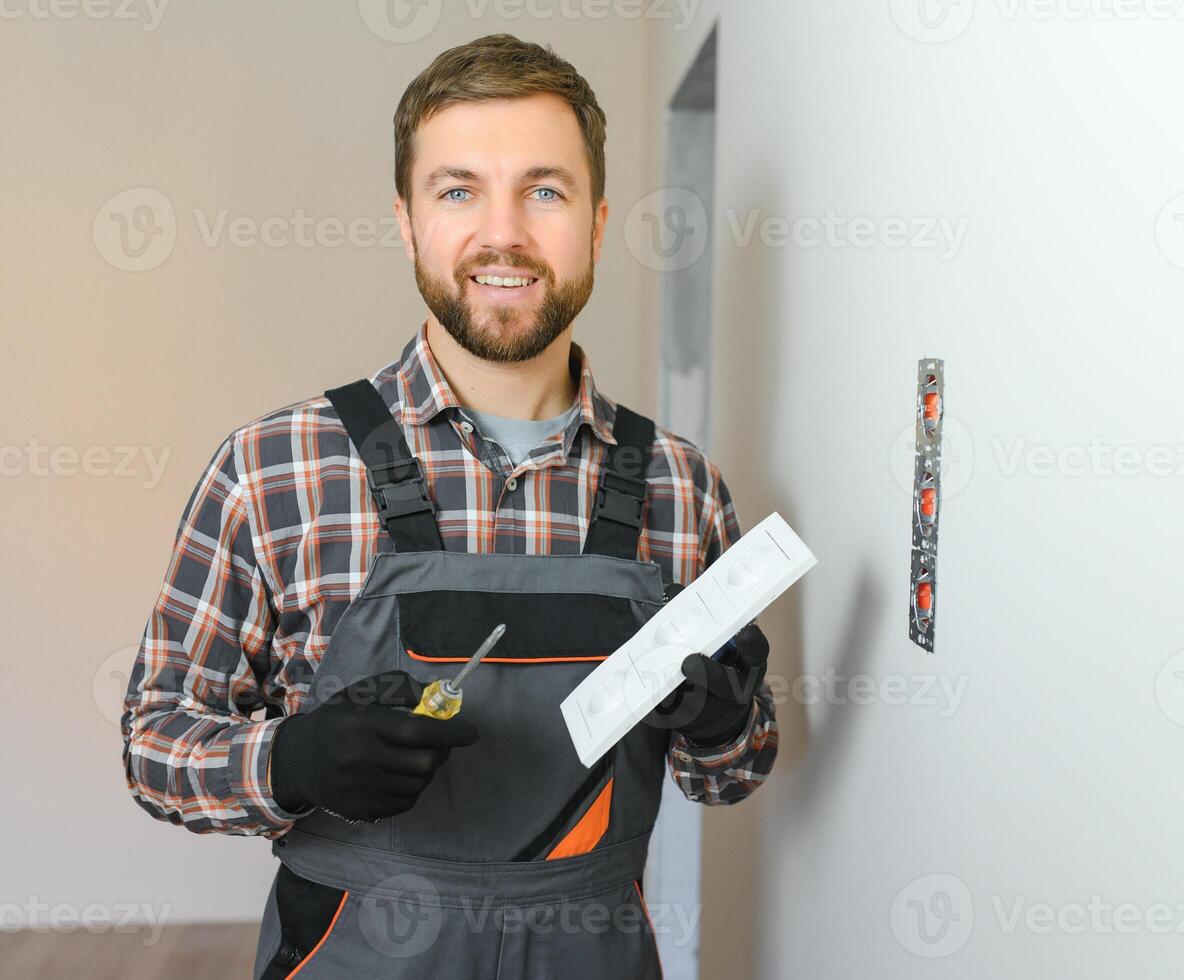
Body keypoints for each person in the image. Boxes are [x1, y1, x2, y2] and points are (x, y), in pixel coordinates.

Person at [120, 33, 778, 978]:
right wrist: (291, 762)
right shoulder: (276, 468)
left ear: (595, 223)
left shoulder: (682, 488)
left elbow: (735, 773)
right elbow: (155, 741)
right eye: (459, 189)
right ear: (407, 220)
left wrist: (721, 723)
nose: (502, 233)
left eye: (543, 190)